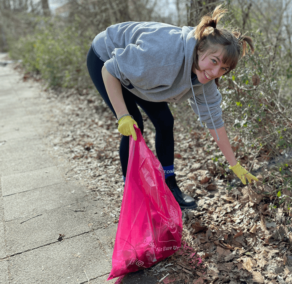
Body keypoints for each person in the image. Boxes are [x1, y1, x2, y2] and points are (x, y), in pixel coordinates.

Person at [86, 5, 260, 210]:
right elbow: (110, 70)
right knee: (134, 126)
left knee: (165, 122)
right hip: (105, 59)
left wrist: (234, 164)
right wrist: (123, 115)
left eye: (223, 68)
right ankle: (131, 196)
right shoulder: (162, 56)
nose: (214, 72)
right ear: (200, 48)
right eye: (213, 61)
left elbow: (214, 121)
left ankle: (170, 185)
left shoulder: (206, 80)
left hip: (141, 75)